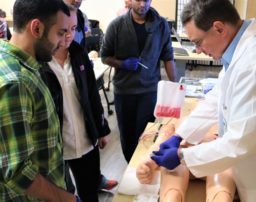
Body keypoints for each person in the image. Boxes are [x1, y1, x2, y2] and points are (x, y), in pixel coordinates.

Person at [151, 0, 256, 201]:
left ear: (219, 28)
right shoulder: (241, 52)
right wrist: (181, 136)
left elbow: (240, 142)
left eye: (197, 42)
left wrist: (182, 156)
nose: (197, 50)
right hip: (252, 171)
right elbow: (218, 98)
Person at [0, 0, 82, 201]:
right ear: (36, 28)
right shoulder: (16, 82)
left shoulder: (20, 63)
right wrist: (66, 198)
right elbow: (18, 172)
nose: (63, 42)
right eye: (60, 33)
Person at [40, 5, 117, 201]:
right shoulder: (40, 62)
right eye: (62, 31)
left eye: (73, 29)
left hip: (85, 139)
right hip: (57, 146)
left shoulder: (79, 53)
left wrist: (101, 130)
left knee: (90, 192)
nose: (68, 36)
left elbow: (92, 95)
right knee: (65, 194)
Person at [101, 0, 176, 162]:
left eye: (147, 0)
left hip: (149, 91)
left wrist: (175, 86)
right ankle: (131, 168)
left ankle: (143, 168)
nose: (143, 4)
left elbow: (168, 57)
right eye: (138, 0)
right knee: (127, 138)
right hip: (124, 92)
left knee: (146, 135)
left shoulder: (161, 25)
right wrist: (122, 64)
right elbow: (104, 56)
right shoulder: (116, 25)